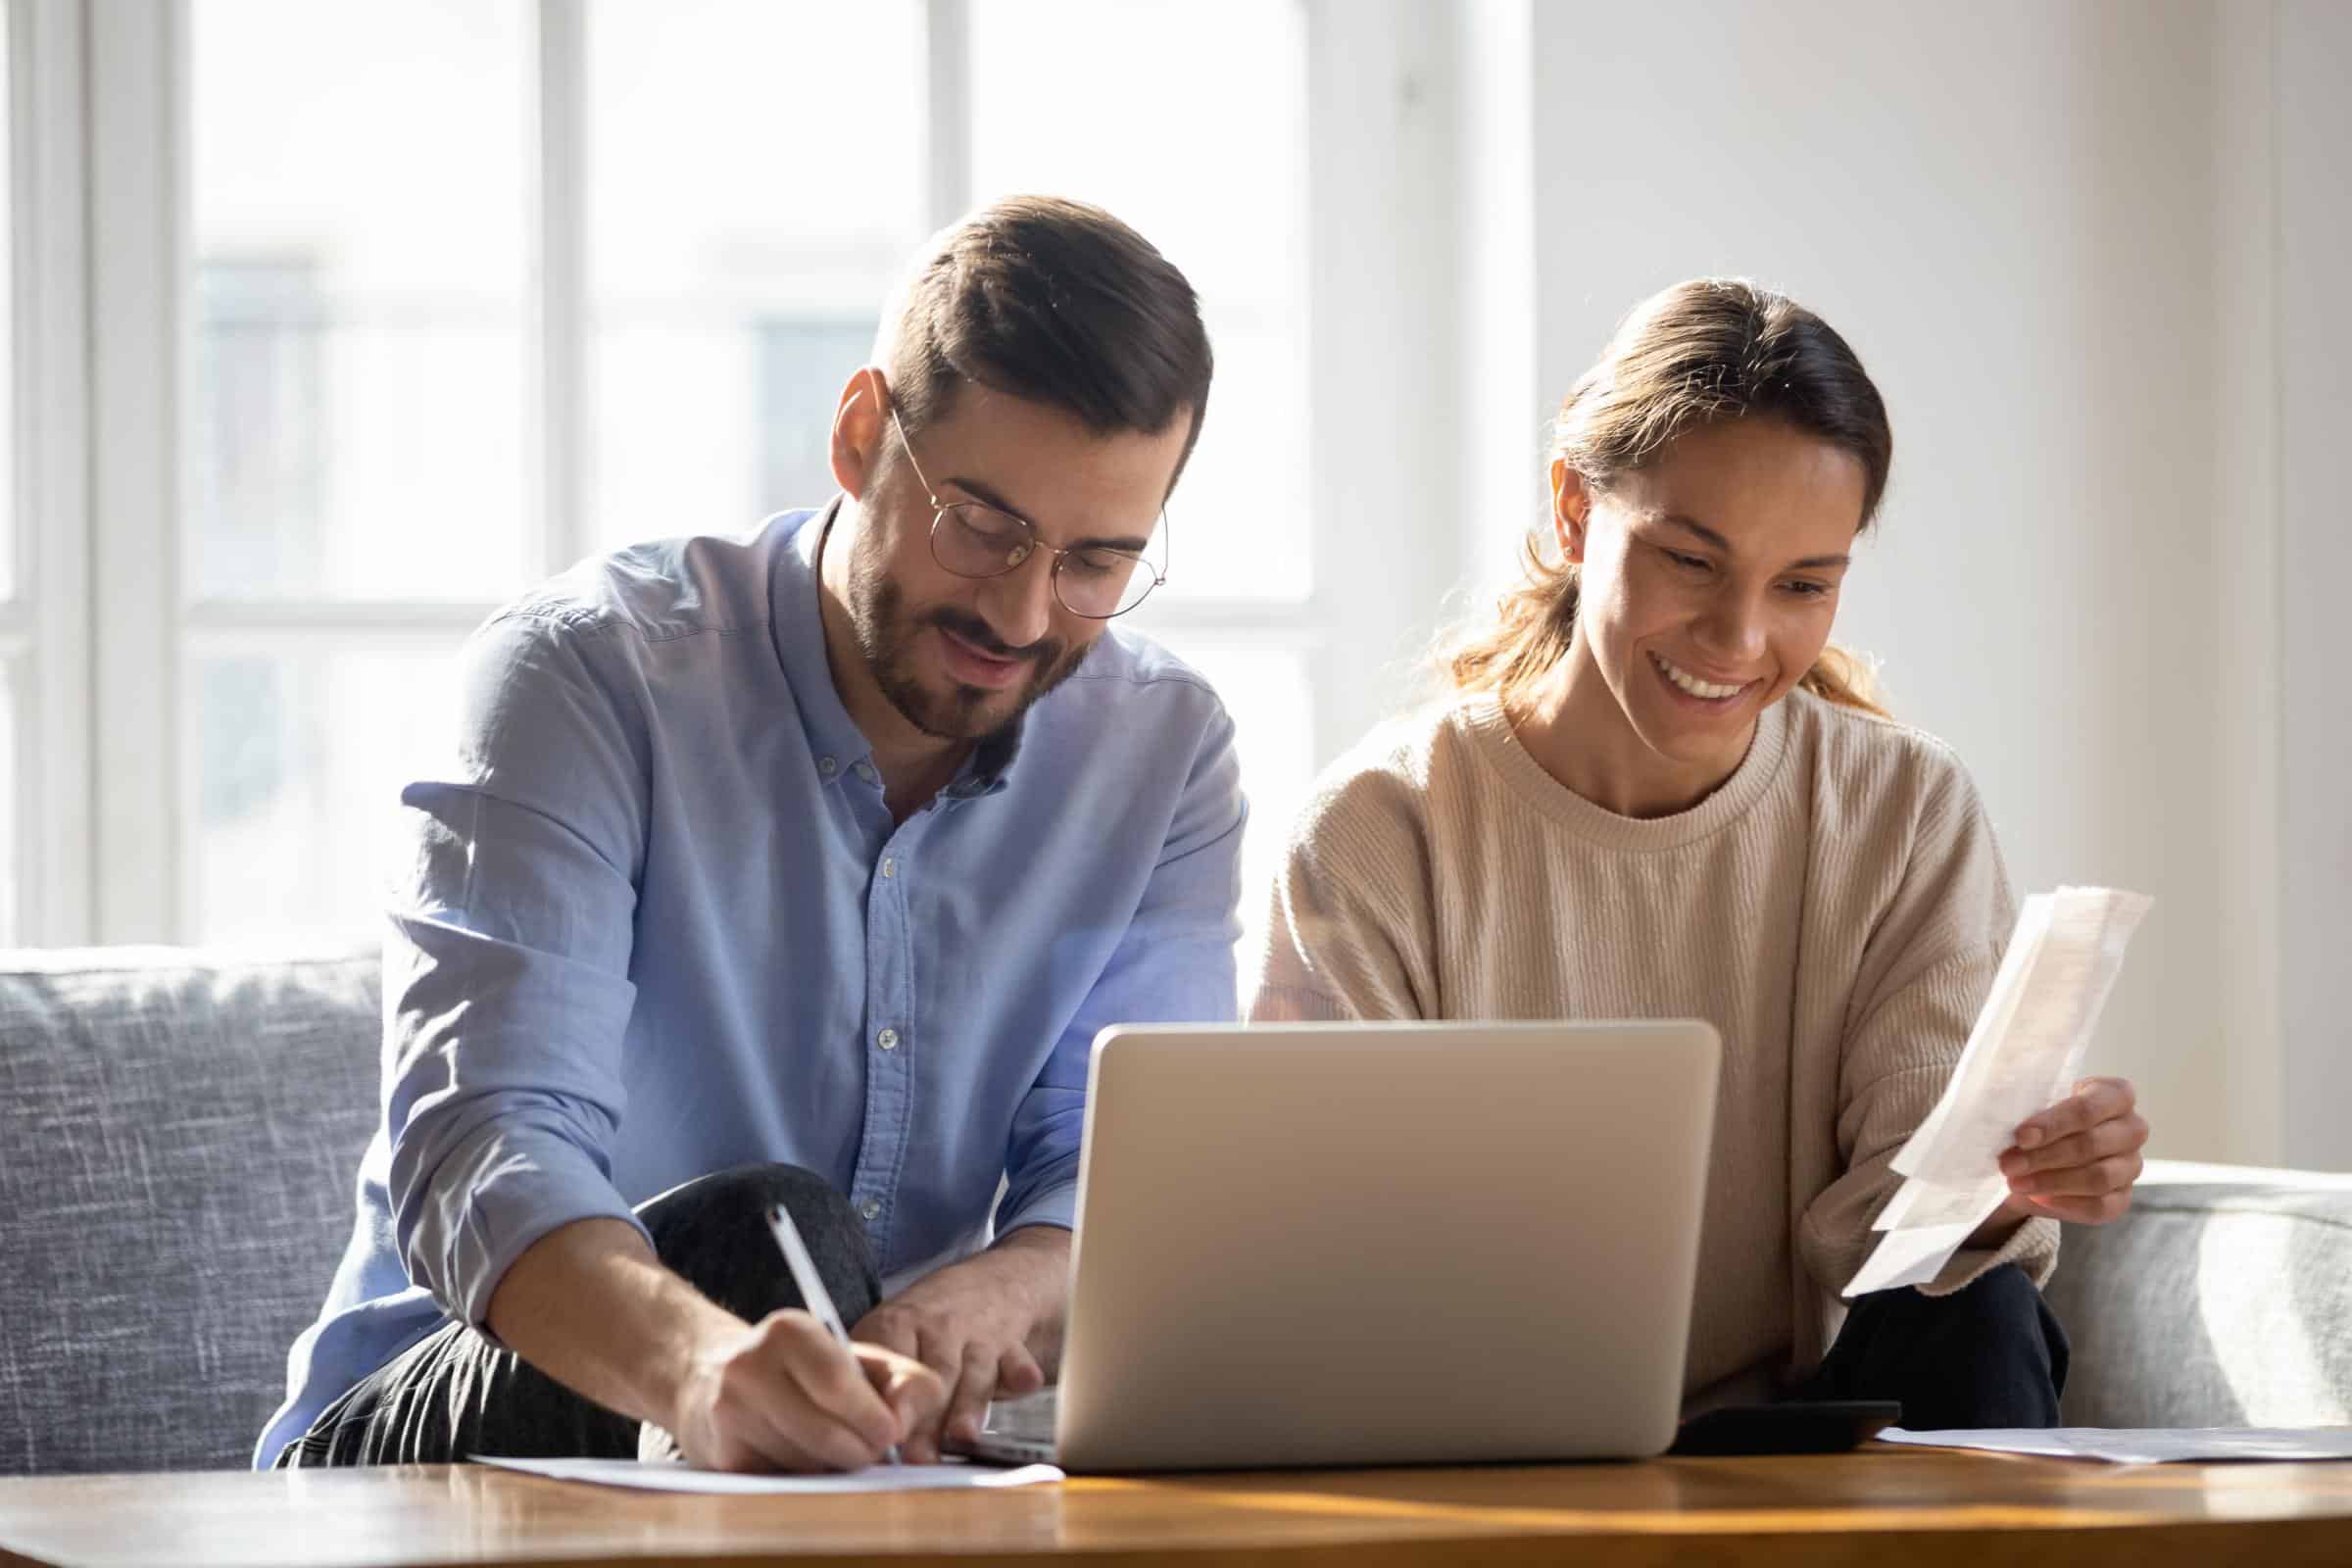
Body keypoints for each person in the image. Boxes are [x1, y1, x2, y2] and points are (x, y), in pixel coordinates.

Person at [258, 197, 1246, 1472]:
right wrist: (704, 1370)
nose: (1022, 608)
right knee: (765, 1231)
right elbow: (485, 1154)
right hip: (436, 1437)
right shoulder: (584, 677)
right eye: (984, 528)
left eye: (1097, 563)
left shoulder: (1160, 753)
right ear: (857, 436)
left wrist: (989, 1298)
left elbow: (1122, 1184)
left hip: (849, 1457)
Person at [1249, 278, 2149, 1429]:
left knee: (1983, 1315)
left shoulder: (1903, 809)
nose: (1740, 639)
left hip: (1814, 1433)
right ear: (1576, 510)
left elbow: (1904, 1228)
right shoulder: (1381, 833)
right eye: (1691, 561)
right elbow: (1329, 1256)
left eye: (1803, 586)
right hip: (1482, 1428)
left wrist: (2000, 1188)